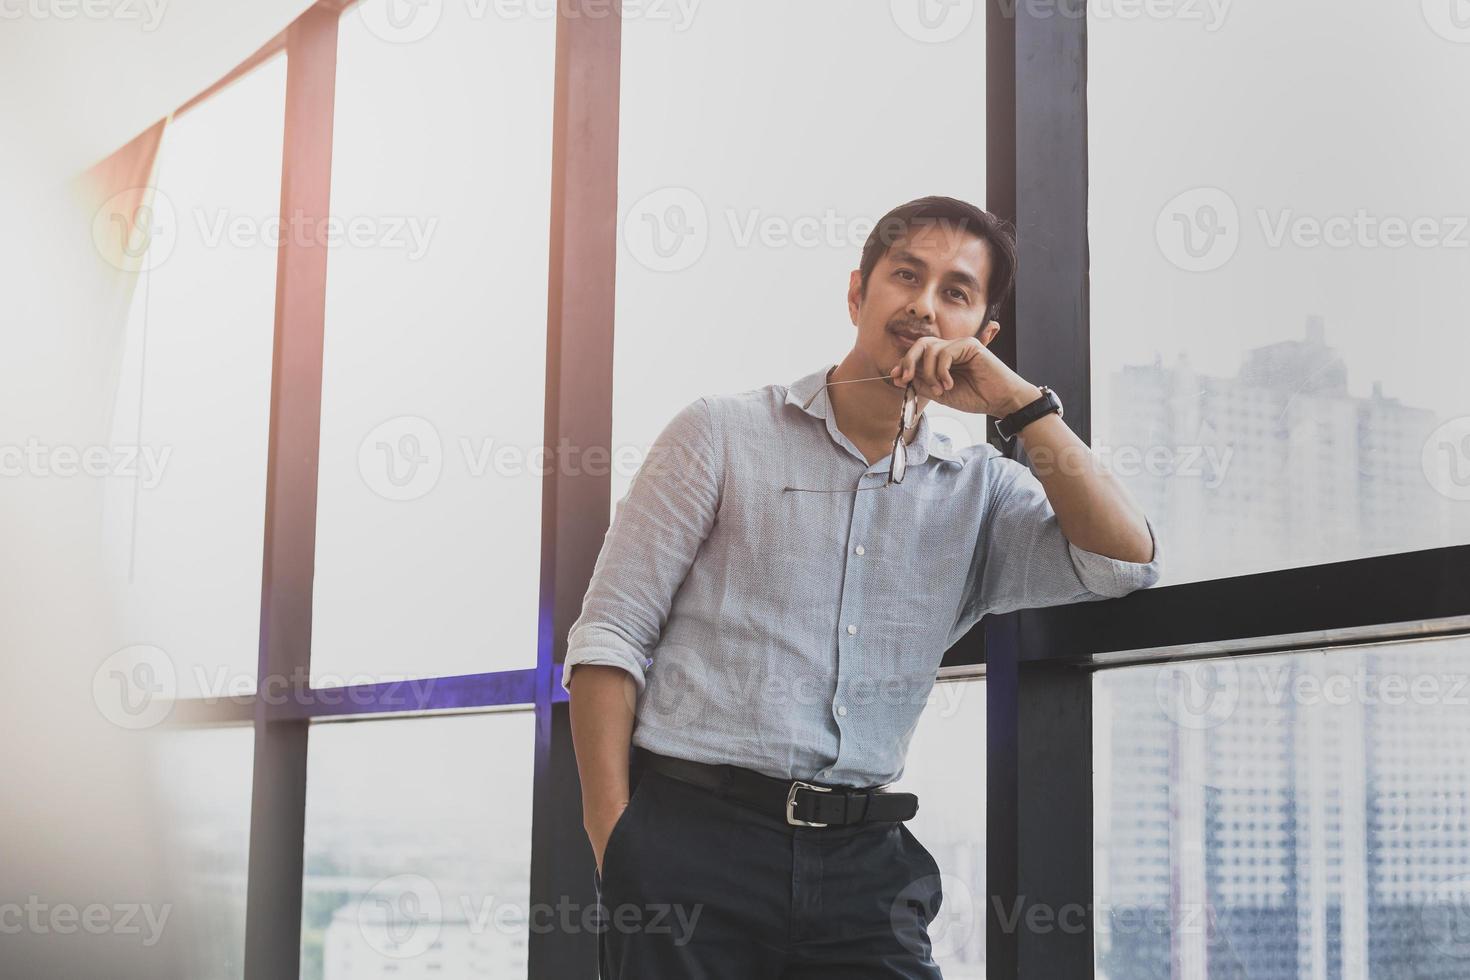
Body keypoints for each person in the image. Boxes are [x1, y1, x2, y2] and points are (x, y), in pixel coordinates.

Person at [562, 195, 1163, 978]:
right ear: (858, 294)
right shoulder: (720, 433)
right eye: (905, 276)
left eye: (955, 291)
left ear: (981, 335)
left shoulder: (979, 490)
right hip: (689, 847)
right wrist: (620, 844)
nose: (922, 303)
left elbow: (1125, 560)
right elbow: (610, 636)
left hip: (865, 867)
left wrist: (1020, 406)